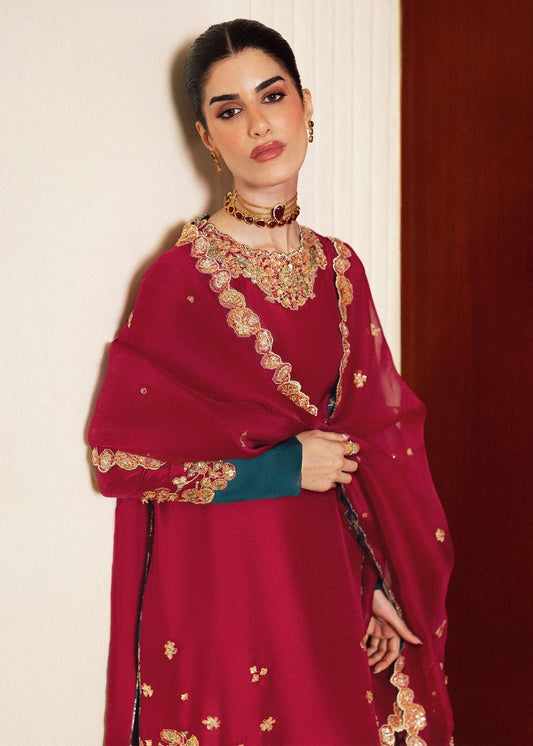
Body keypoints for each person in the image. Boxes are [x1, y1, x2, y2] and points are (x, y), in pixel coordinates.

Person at [89, 19, 453, 746]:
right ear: (207, 137)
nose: (258, 124)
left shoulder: (340, 269)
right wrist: (286, 466)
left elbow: (373, 439)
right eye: (230, 110)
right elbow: (121, 460)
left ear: (306, 105)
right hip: (234, 591)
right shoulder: (180, 280)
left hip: (330, 581)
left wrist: (378, 581)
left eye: (272, 96)